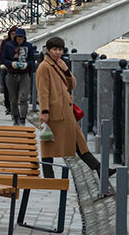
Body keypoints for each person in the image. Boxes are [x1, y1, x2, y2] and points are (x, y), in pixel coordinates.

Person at [36, 35, 103, 179]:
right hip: (53, 112)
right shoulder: (44, 67)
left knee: (79, 142)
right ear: (48, 50)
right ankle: (49, 176)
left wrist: (66, 71)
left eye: (60, 49)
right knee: (48, 144)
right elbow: (43, 91)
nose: (58, 52)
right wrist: (44, 111)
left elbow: (72, 85)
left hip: (66, 111)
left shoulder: (59, 64)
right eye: (54, 49)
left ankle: (99, 168)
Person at [1, 28, 35, 125]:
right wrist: (11, 64)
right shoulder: (8, 45)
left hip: (24, 74)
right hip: (12, 74)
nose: (20, 40)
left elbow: (32, 60)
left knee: (24, 96)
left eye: (22, 38)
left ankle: (23, 117)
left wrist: (27, 65)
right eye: (18, 38)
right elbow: (3, 59)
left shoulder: (28, 46)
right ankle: (15, 116)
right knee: (13, 98)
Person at [0, 30, 19, 113]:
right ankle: (8, 106)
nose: (14, 36)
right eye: (12, 34)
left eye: (15, 34)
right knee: (7, 88)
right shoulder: (5, 43)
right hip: (7, 67)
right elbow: (2, 55)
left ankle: (15, 106)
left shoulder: (21, 43)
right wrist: (3, 63)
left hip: (18, 68)